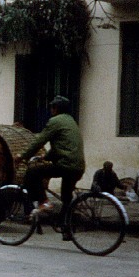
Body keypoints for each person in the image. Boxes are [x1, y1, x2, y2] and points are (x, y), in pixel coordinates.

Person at [15, 96, 85, 238]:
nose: (50, 110)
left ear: (56, 109)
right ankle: (66, 228)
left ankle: (44, 202)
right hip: (78, 166)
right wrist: (44, 157)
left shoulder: (55, 121)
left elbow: (39, 141)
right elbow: (62, 147)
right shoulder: (71, 121)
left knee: (33, 172)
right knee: (66, 197)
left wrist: (22, 156)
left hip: (66, 165)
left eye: (52, 107)